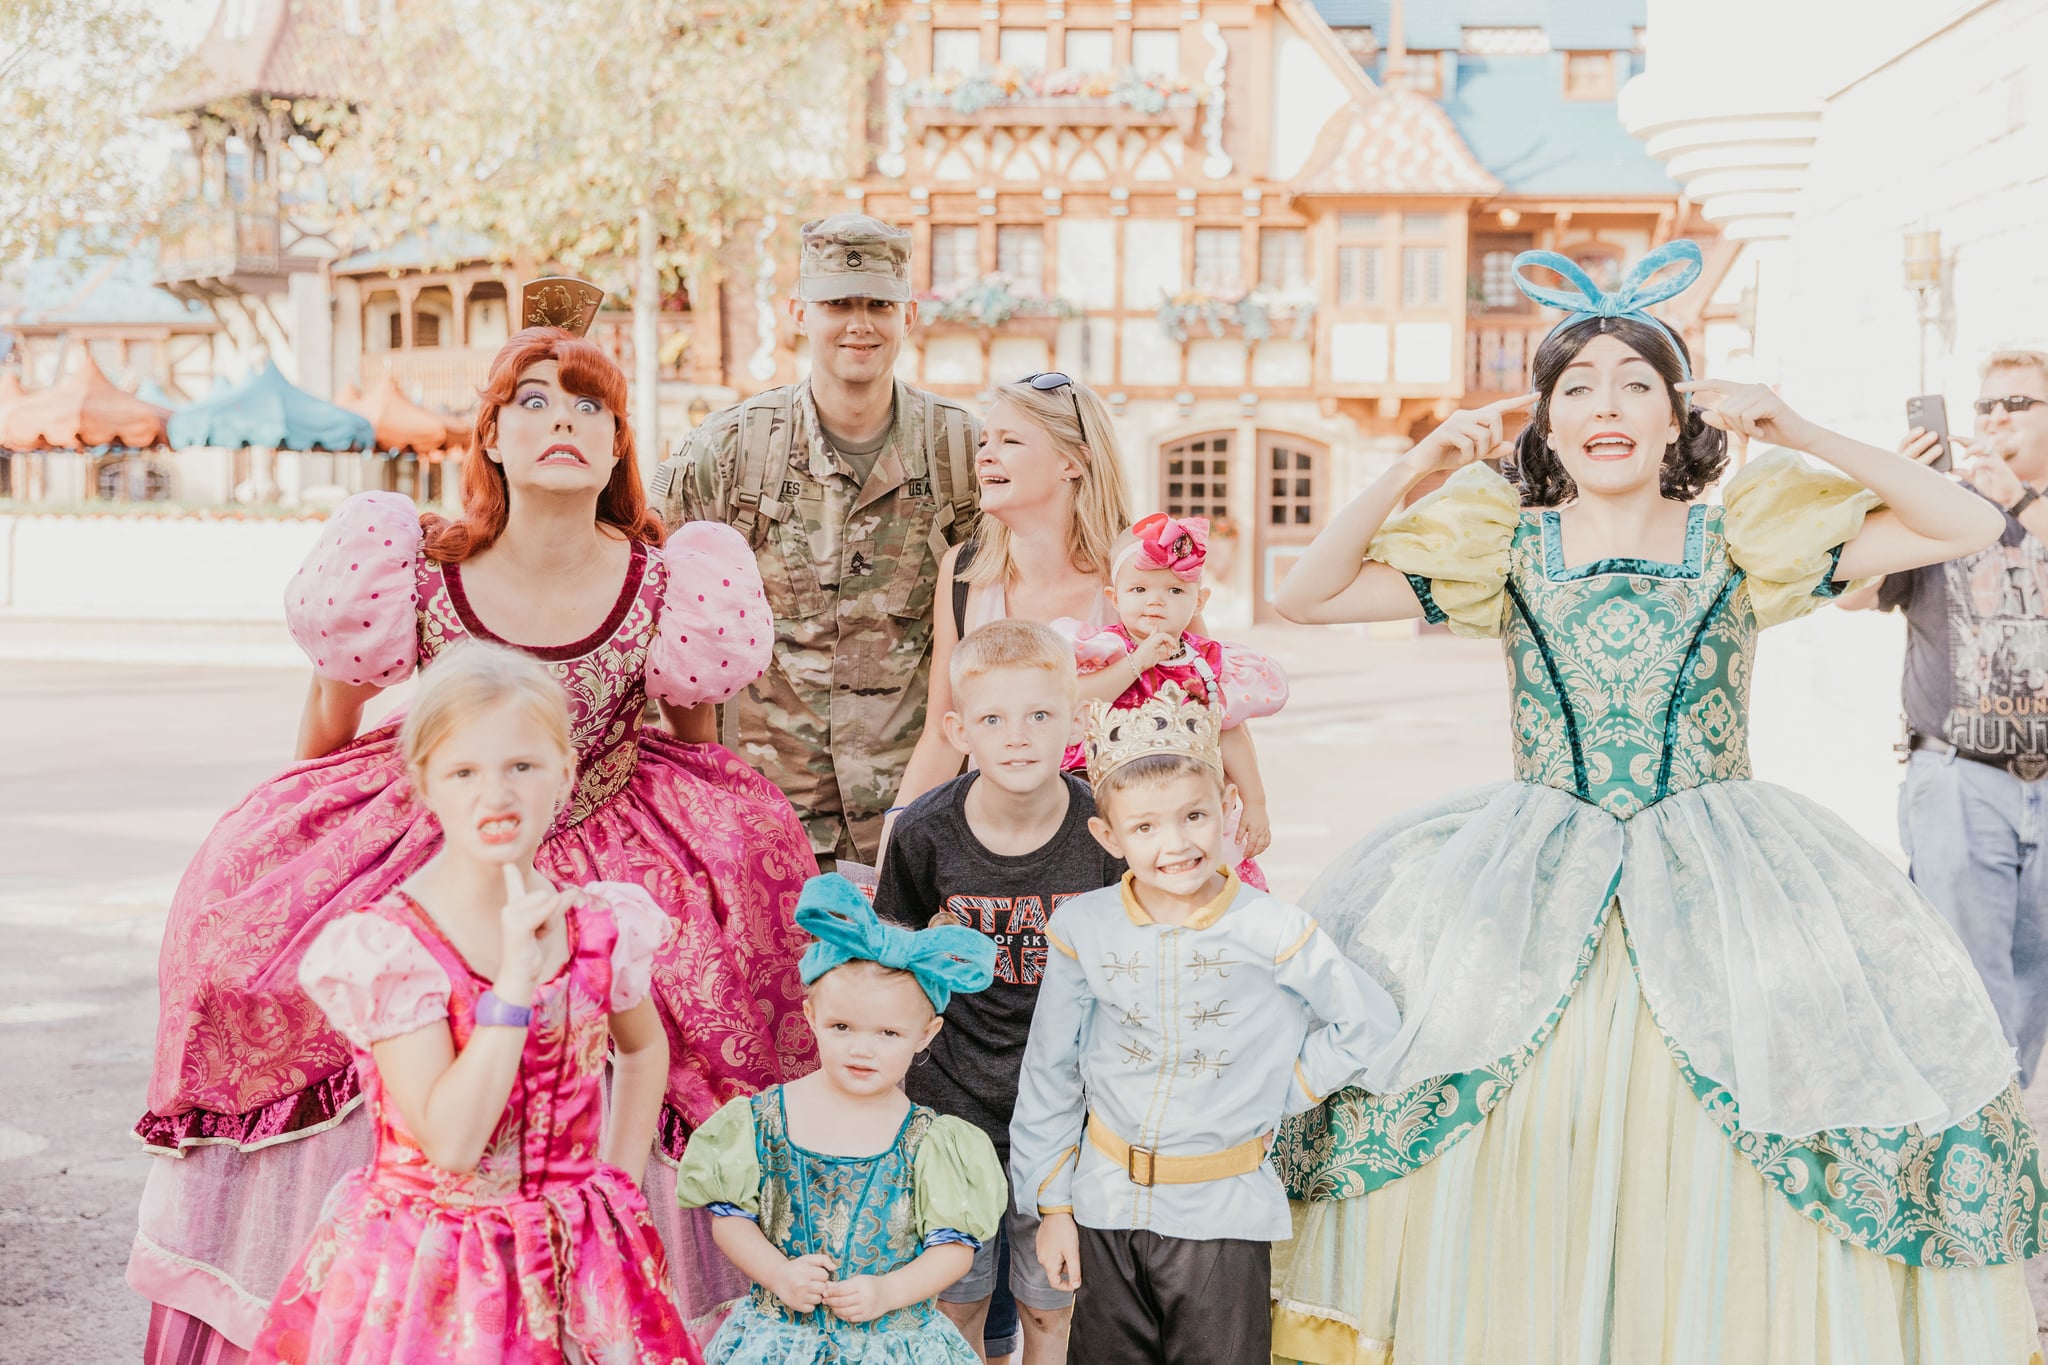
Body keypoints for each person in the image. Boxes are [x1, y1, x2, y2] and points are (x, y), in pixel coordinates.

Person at [1267, 242, 2036, 1363]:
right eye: (1574, 387)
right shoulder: (1505, 549)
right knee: (1518, 1118)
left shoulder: (1740, 539)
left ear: (1678, 419)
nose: (1605, 404)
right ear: (1544, 426)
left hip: (1724, 867)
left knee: (1735, 1128)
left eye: (1637, 382)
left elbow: (1965, 525)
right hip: (1529, 868)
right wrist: (1415, 468)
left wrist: (1800, 431)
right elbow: (1302, 595)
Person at [132, 286, 814, 1363]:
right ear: (490, 435)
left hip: (606, 827)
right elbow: (323, 731)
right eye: (532, 400)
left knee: (685, 1004)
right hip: (433, 825)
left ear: (616, 446)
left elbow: (701, 742)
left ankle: (607, 1257)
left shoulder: (664, 582)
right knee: (301, 995)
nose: (561, 421)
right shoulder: (418, 568)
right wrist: (297, 866)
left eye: (589, 407)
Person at [250, 641, 696, 1364]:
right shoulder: (395, 946)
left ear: (565, 772)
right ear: (426, 784)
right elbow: (452, 1144)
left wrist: (615, 1181)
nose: (497, 795)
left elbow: (644, 1048)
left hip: (579, 1256)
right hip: (438, 1266)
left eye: (522, 765)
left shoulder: (601, 923)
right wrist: (515, 982)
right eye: (464, 771)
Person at [1008, 684, 1400, 1365]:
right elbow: (1050, 1074)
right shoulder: (1083, 930)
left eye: (1195, 815)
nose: (1177, 843)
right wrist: (1054, 1208)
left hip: (1223, 1216)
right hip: (1104, 1210)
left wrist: (1282, 1089)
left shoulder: (1274, 930)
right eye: (1147, 827)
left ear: (1227, 807)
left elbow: (1367, 1022)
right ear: (1109, 834)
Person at [655, 215, 980, 869]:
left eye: (878, 304)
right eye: (838, 303)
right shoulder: (731, 450)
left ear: (908, 315)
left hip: (919, 815)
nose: (859, 323)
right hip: (767, 819)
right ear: (799, 311)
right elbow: (648, 587)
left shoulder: (961, 450)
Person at [873, 620, 1126, 1363]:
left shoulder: (1104, 831)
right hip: (953, 1104)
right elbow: (894, 967)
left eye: (1040, 715)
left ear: (1078, 719)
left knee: (1052, 1309)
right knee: (959, 1302)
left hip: (1067, 1113)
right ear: (959, 729)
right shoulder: (925, 834)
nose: (1017, 738)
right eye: (992, 719)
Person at [676, 874, 1008, 1363]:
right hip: (780, 1339)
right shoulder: (760, 1120)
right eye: (842, 1026)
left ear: (926, 1033)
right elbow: (732, 1219)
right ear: (811, 1017)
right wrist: (779, 1274)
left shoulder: (933, 1142)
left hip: (892, 1343)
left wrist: (890, 1292)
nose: (862, 1049)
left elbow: (954, 1250)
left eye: (888, 1033)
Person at [1839, 348, 2048, 1083]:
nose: (1996, 419)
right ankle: (1978, 1140)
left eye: (2019, 405)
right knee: (1963, 974)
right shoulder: (1940, 509)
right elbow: (1852, 591)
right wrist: (1899, 492)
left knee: (2035, 982)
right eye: (1987, 406)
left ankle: (2002, 1122)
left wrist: (2020, 505)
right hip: (1959, 774)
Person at [889, 373, 1135, 828]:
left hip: (1117, 852)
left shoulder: (1141, 570)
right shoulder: (964, 572)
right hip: (996, 850)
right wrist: (893, 844)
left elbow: (1209, 704)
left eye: (1010, 441)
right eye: (985, 441)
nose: (985, 456)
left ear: (1072, 462)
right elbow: (944, 737)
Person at [1056, 512, 1288, 885]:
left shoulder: (1207, 662)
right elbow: (1074, 701)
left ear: (1199, 601)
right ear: (1114, 598)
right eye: (1139, 590)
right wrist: (1137, 663)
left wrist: (1255, 801)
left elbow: (1229, 732)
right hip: (1110, 805)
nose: (1156, 602)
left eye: (1175, 591)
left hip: (1185, 802)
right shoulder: (1104, 650)